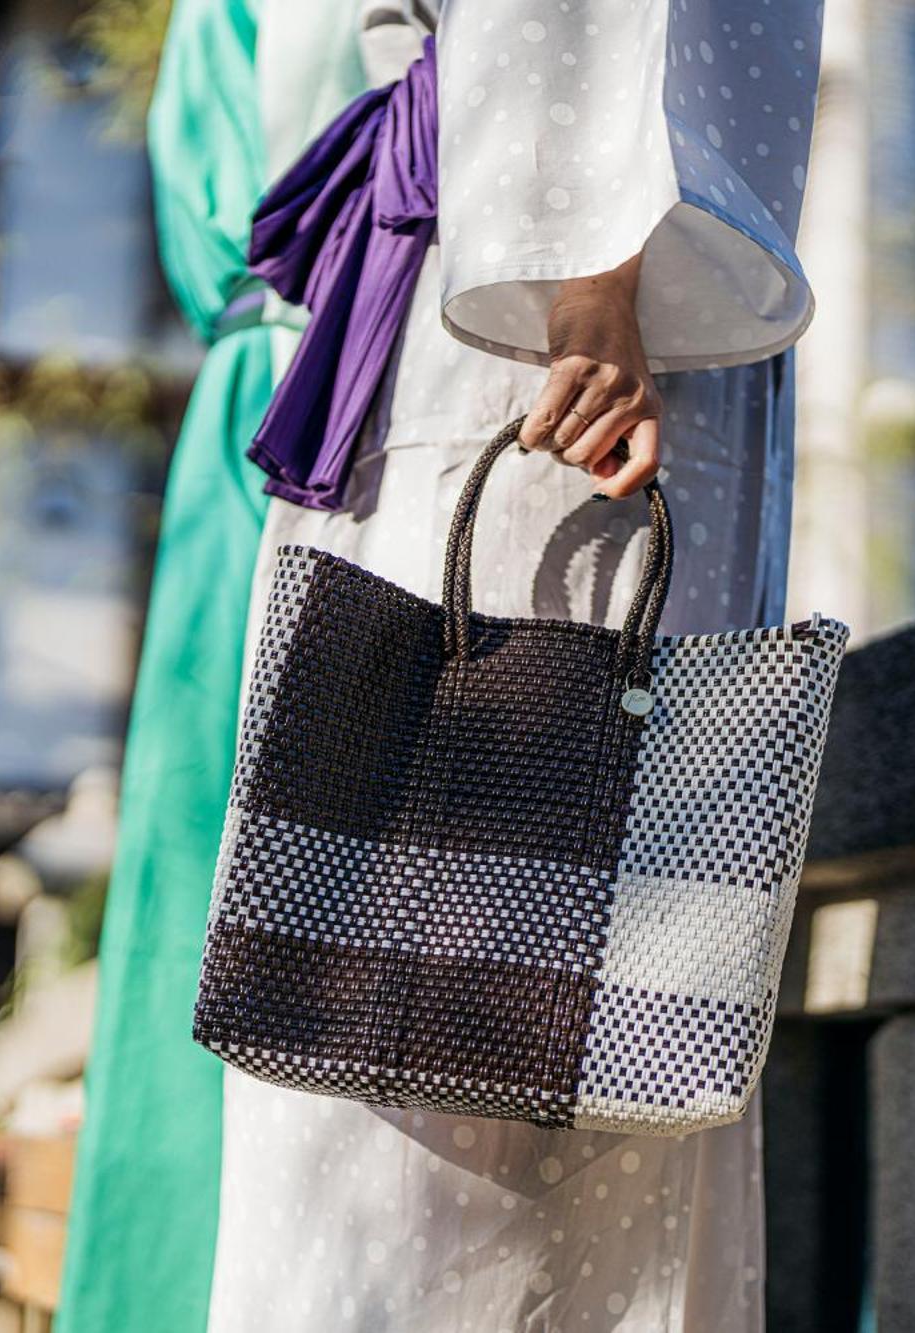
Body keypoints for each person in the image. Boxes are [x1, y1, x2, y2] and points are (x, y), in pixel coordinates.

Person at [60, 1, 823, 1329]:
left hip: (577, 248)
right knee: (461, 1083)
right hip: (576, 268)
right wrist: (591, 250)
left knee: (510, 1047)